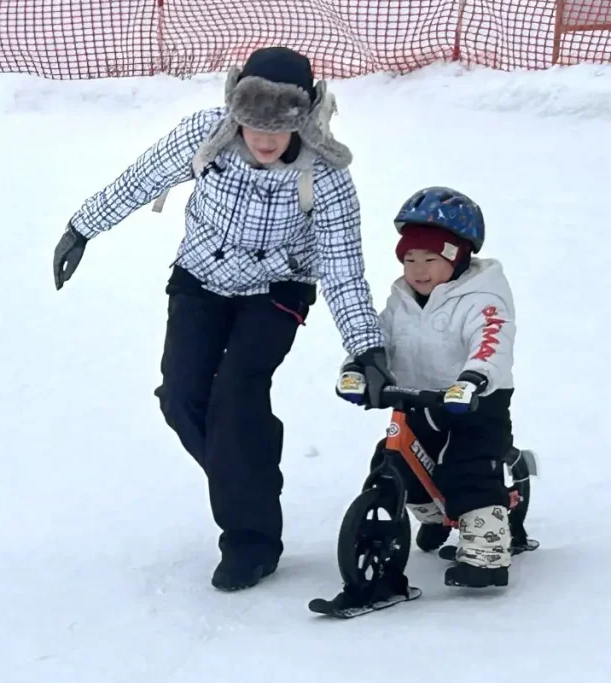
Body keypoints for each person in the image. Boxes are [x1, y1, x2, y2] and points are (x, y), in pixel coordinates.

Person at [52, 46, 393, 591]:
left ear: (302, 120)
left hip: (277, 290)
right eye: (251, 123)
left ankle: (251, 541)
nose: (262, 139)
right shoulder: (206, 137)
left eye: (277, 128)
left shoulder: (325, 176)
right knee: (181, 397)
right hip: (200, 281)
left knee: (235, 398)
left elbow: (344, 268)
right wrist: (82, 227)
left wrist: (366, 347)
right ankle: (249, 474)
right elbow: (141, 178)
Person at [336, 186, 516, 588]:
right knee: (397, 462)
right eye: (409, 259)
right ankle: (436, 515)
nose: (417, 270)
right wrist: (359, 367)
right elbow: (377, 338)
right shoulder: (400, 300)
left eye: (430, 259)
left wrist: (474, 377)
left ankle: (486, 557)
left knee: (470, 471)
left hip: (475, 402)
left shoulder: (481, 298)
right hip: (418, 400)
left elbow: (492, 341)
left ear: (458, 256)